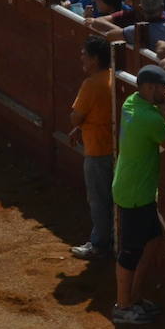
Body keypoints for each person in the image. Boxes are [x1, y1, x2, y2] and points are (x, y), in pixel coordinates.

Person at [110, 64, 165, 325]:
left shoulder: (131, 102)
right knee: (130, 251)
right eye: (162, 86)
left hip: (133, 187)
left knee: (152, 240)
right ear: (149, 88)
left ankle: (134, 297)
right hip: (136, 193)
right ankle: (123, 306)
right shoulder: (149, 118)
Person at [69, 36, 114, 261]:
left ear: (95, 59)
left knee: (99, 200)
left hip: (97, 149)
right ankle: (113, 241)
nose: (81, 58)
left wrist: (78, 125)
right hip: (115, 148)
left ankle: (99, 244)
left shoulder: (91, 84)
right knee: (113, 200)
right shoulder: (114, 77)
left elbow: (76, 117)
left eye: (84, 54)